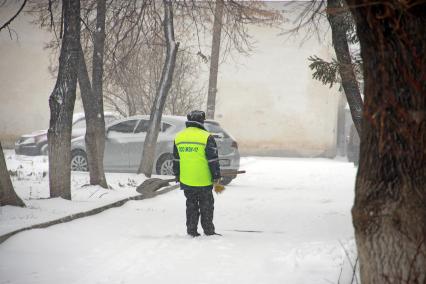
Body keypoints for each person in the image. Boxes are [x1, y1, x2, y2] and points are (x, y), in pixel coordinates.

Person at [173, 110, 221, 237]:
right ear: (202, 121)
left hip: (187, 180)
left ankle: (191, 230)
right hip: (203, 180)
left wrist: (177, 174)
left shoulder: (179, 137)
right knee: (206, 205)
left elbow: (176, 159)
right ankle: (208, 230)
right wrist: (216, 176)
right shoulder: (206, 136)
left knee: (191, 205)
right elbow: (213, 160)